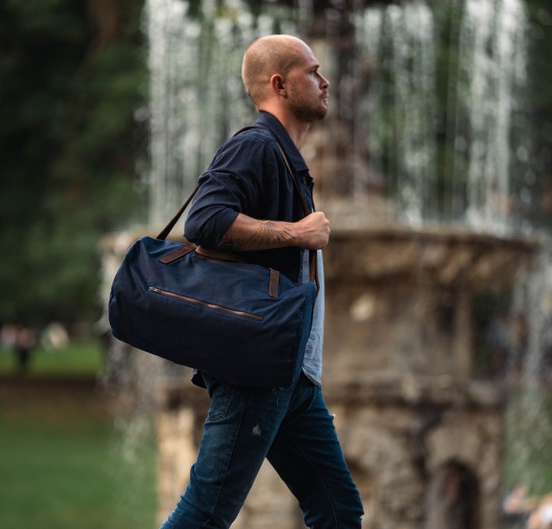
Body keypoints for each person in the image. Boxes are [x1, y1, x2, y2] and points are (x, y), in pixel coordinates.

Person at [160, 34, 364, 529]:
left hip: (290, 374)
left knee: (338, 510)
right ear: (279, 84)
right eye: (312, 72)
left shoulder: (284, 154)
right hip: (258, 367)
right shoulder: (255, 146)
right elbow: (204, 221)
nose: (325, 80)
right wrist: (297, 231)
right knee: (208, 512)